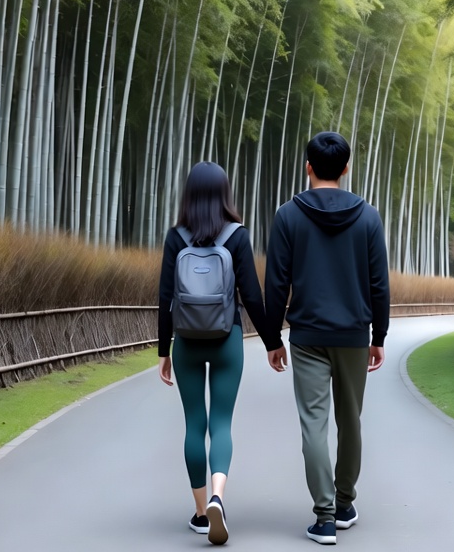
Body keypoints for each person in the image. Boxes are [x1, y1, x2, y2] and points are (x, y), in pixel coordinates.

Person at [264, 131, 390, 546]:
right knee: (350, 419)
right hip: (354, 336)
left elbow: (276, 283)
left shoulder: (288, 216)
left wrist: (271, 338)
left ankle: (324, 518)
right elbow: (379, 285)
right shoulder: (368, 217)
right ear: (347, 168)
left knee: (313, 424)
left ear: (308, 167)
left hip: (307, 337)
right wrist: (379, 335)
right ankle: (345, 502)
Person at [158, 161, 283, 546]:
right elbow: (252, 295)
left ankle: (199, 513)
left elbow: (165, 299)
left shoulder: (176, 237)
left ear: (189, 194)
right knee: (222, 423)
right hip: (227, 337)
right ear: (225, 194)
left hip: (187, 343)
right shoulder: (236, 236)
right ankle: (218, 496)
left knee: (194, 424)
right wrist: (272, 342)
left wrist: (164, 350)